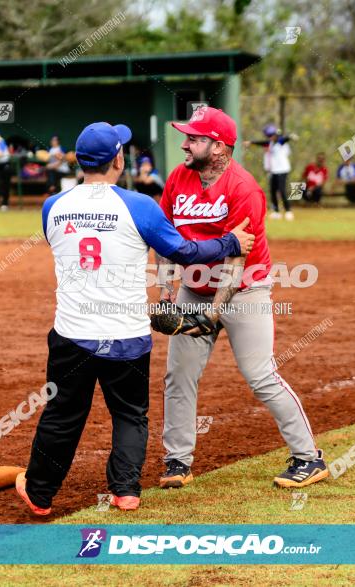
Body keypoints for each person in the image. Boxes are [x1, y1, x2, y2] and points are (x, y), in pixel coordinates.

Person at [15, 121, 255, 516]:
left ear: (79, 160)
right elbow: (185, 252)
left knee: (62, 414)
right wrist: (230, 242)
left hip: (72, 332)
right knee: (129, 414)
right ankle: (126, 491)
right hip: (125, 334)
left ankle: (40, 493)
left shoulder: (52, 206)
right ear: (118, 159)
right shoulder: (139, 204)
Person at [157, 106, 328, 490]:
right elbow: (166, 240)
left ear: (218, 147)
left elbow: (238, 257)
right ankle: (178, 461)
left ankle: (308, 457)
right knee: (178, 375)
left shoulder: (243, 188)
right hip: (193, 288)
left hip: (244, 289)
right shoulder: (178, 179)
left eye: (194, 138)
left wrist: (213, 314)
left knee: (260, 375)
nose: (184, 143)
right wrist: (167, 295)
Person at [244, 125, 295, 220]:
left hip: (282, 170)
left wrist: (291, 136)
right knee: (273, 191)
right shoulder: (271, 143)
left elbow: (285, 139)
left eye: (272, 135)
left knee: (282, 190)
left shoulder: (281, 142)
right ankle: (276, 211)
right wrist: (251, 142)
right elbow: (263, 143)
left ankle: (288, 211)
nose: (270, 137)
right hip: (273, 171)